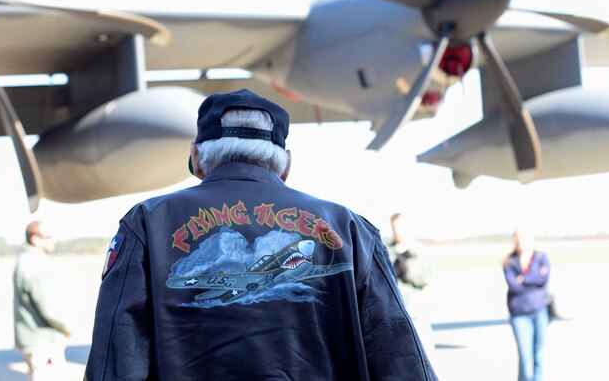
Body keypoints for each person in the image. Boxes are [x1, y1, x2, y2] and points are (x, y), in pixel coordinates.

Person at [85, 89, 437, 380]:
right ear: (286, 164)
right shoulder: (350, 227)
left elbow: (116, 357)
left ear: (196, 156)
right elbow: (400, 356)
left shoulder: (147, 221)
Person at [13, 220, 72, 381]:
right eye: (48, 237)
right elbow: (47, 307)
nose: (53, 240)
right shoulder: (36, 263)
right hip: (44, 342)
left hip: (33, 341)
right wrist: (66, 328)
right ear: (35, 239)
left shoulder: (24, 259)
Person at [503, 227, 551, 381]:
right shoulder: (509, 261)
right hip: (519, 313)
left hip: (539, 311)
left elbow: (543, 279)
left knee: (539, 355)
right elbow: (514, 285)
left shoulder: (541, 257)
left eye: (523, 237)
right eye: (518, 237)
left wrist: (524, 278)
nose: (520, 241)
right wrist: (534, 278)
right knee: (525, 355)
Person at [389, 212, 435, 355]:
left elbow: (427, 278)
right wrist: (393, 268)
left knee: (424, 354)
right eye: (394, 227)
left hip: (416, 313)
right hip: (394, 315)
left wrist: (407, 270)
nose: (397, 231)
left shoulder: (420, 251)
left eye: (400, 227)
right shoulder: (386, 250)